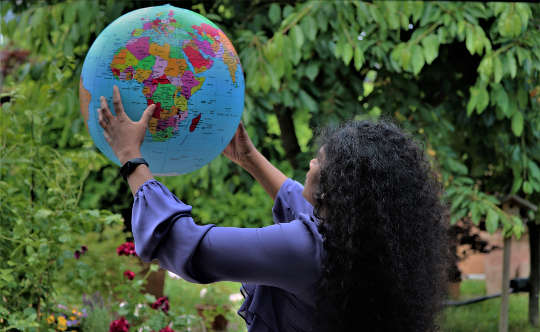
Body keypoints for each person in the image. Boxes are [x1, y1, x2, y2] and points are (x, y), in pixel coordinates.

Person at [98, 86, 449, 332]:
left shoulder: (304, 251)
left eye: (318, 160)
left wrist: (130, 157)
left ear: (336, 190)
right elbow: (300, 201)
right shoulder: (363, 249)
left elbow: (183, 243)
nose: (311, 162)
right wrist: (250, 159)